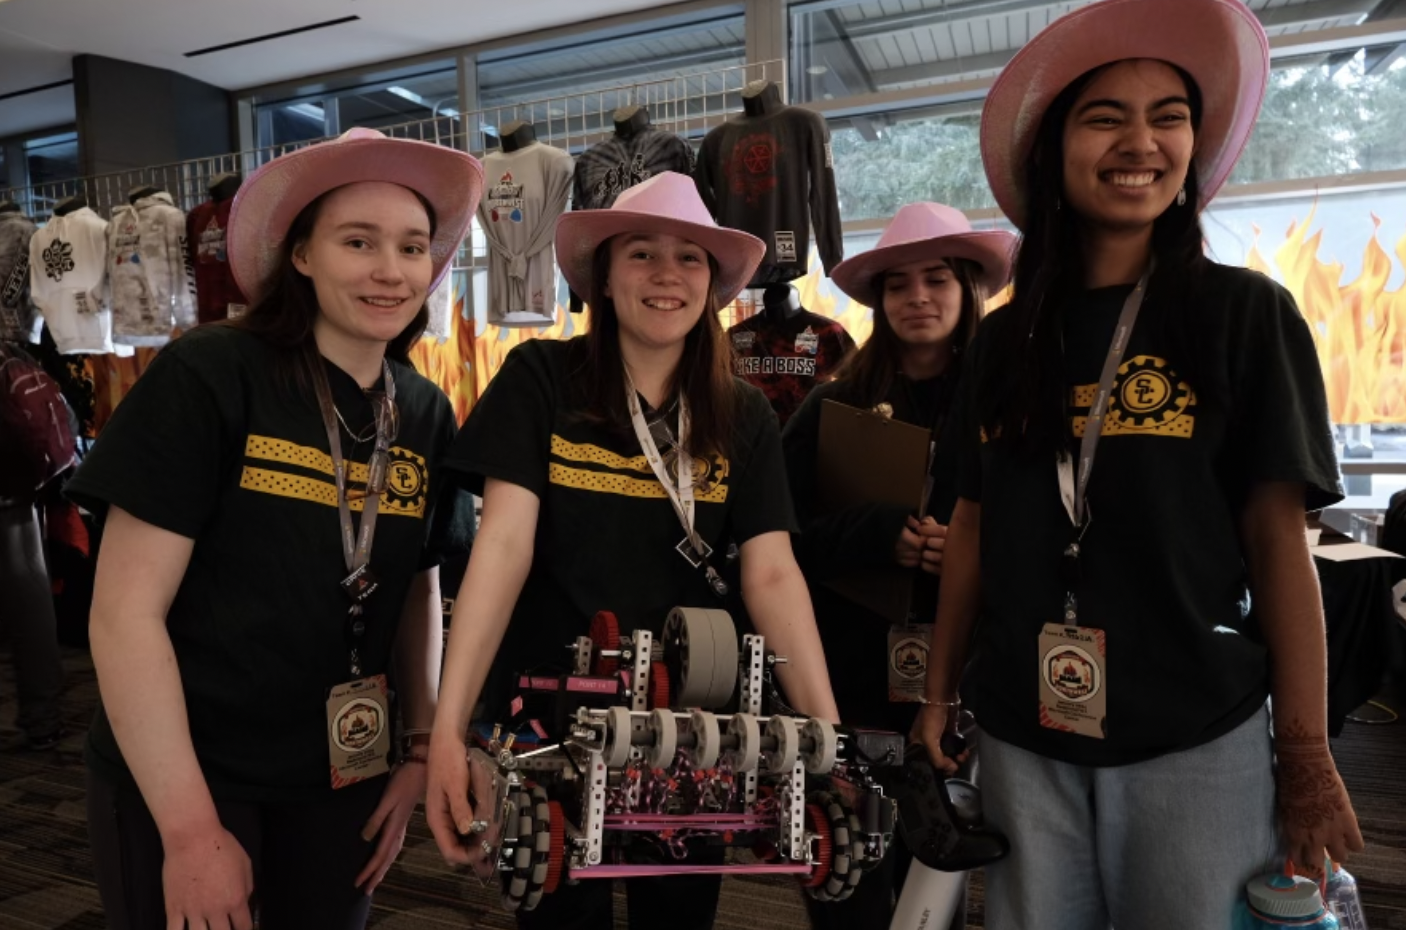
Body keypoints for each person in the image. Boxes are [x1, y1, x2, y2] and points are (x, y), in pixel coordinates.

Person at [910, 0, 1365, 927]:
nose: (1143, 141)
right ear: (1055, 149)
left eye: (1169, 116)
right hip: (1024, 729)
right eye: (1105, 115)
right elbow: (973, 525)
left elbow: (1280, 543)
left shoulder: (1245, 315)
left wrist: (1307, 754)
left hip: (1195, 729)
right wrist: (940, 693)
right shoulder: (1003, 343)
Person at [65, 127, 481, 930]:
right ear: (301, 255)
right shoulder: (211, 374)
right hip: (190, 771)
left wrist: (422, 747)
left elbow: (418, 580)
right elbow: (123, 614)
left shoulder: (424, 409)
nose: (390, 271)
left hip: (342, 769)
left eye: (412, 246)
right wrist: (188, 833)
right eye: (357, 242)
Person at [425, 170, 841, 930]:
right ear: (604, 278)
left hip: (691, 723)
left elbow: (773, 574)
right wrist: (450, 730)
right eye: (641, 254)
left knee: (678, 917)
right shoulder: (543, 379)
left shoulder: (741, 411)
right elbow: (503, 548)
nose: (665, 275)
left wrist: (828, 738)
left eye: (689, 258)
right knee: (559, 915)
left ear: (712, 286)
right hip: (551, 718)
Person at [781, 203, 1013, 926]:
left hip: (972, 677)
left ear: (970, 288)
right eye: (898, 284)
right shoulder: (830, 408)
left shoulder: (1014, 405)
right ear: (878, 301)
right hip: (848, 674)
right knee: (843, 863)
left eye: (937, 280)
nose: (918, 298)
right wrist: (878, 533)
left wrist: (978, 550)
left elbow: (1059, 533)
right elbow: (773, 545)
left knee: (938, 876)